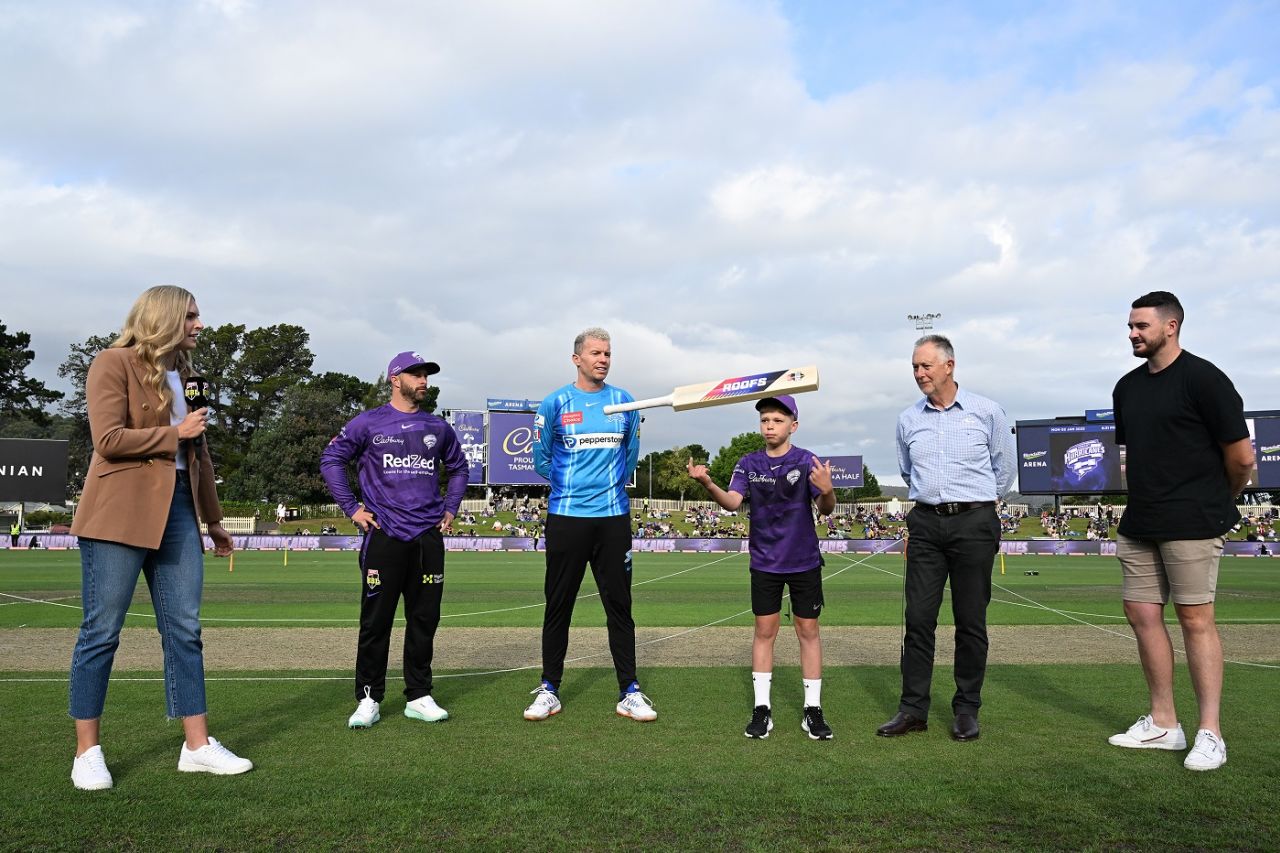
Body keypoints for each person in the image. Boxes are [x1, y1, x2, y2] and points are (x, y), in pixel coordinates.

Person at [67, 285, 249, 791]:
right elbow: (106, 441)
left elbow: (200, 455)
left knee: (185, 630)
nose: (200, 324)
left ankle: (197, 747)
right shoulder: (113, 362)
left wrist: (213, 521)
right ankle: (87, 753)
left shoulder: (191, 379)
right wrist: (177, 433)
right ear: (165, 318)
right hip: (117, 515)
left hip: (179, 515)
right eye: (191, 315)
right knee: (101, 633)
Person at [1107, 291, 1253, 771]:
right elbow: (1136, 455)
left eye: (1141, 326)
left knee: (1195, 620)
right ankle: (1165, 724)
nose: (1133, 333)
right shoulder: (1126, 387)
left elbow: (1242, 458)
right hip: (1141, 520)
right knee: (1141, 614)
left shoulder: (1204, 379)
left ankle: (1211, 733)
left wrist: (1218, 502)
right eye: (1130, 326)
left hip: (1193, 519)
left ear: (1171, 327)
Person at [320, 351, 468, 729]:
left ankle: (419, 695)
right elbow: (332, 460)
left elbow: (459, 468)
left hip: (427, 538)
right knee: (376, 622)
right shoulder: (368, 423)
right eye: (416, 374)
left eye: (426, 375)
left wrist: (450, 508)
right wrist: (352, 508)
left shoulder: (439, 427)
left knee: (424, 620)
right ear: (394, 378)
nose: (424, 381)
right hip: (383, 536)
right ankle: (369, 698)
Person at [878, 334, 1014, 742]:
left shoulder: (987, 412)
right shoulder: (908, 419)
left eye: (926, 366)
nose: (919, 374)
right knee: (918, 620)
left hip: (974, 521)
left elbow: (1004, 473)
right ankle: (913, 709)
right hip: (925, 523)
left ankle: (967, 709)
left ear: (949, 366)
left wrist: (972, 505)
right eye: (915, 367)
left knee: (970, 621)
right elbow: (907, 473)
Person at [687, 394, 836, 739]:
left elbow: (826, 508)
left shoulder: (806, 460)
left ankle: (812, 710)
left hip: (803, 561)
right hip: (765, 562)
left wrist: (828, 491)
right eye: (765, 420)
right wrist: (708, 483)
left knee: (808, 632)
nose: (769, 426)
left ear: (793, 426)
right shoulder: (748, 463)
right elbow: (731, 503)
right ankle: (762, 710)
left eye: (778, 420)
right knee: (764, 633)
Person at [524, 327, 653, 722]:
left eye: (608, 353)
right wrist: (574, 487)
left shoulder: (624, 401)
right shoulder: (555, 403)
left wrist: (607, 487)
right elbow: (541, 460)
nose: (603, 359)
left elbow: (631, 454)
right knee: (558, 604)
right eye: (596, 353)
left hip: (612, 518)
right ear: (577, 358)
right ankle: (549, 688)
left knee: (619, 605)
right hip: (567, 518)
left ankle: (629, 690)